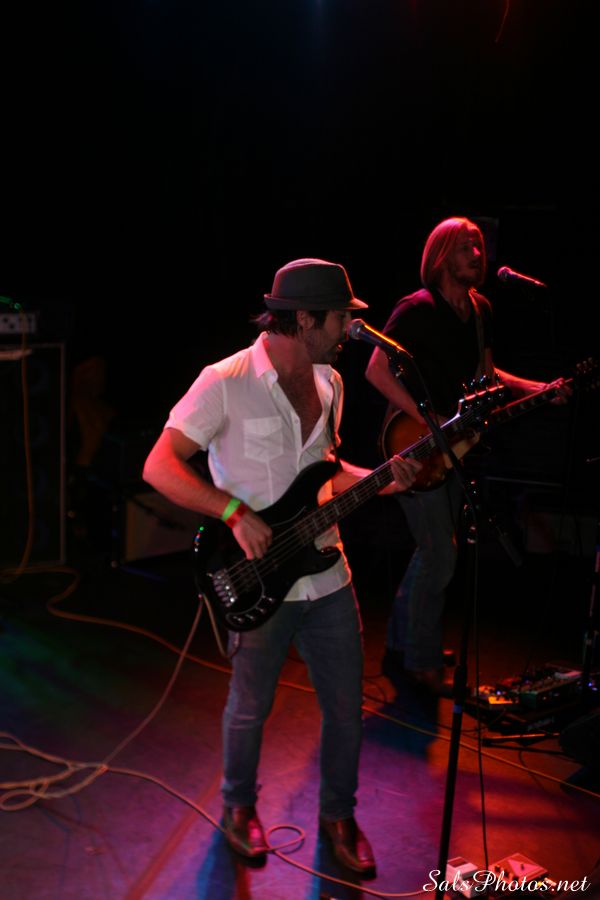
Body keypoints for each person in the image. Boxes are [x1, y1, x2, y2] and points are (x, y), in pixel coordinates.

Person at [143, 258, 421, 874]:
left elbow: (327, 473)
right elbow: (159, 465)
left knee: (345, 708)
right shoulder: (224, 381)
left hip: (328, 576)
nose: (349, 329)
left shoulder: (330, 382)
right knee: (250, 707)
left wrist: (385, 480)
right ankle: (238, 807)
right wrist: (232, 512)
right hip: (258, 579)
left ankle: (339, 816)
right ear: (305, 319)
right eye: (342, 317)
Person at [365, 217, 570, 697]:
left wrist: (539, 389)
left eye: (479, 246)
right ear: (441, 256)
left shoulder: (480, 311)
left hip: (455, 446)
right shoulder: (416, 308)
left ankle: (402, 644)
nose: (477, 255)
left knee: (435, 550)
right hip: (413, 444)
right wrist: (428, 418)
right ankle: (419, 661)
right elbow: (376, 370)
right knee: (440, 554)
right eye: (465, 247)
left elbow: (487, 374)